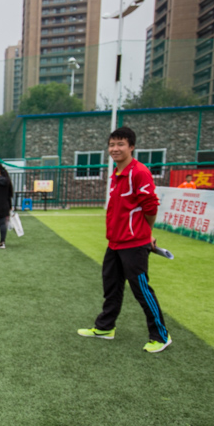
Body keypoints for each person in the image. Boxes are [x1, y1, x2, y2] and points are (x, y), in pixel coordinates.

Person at [78, 126, 171, 353]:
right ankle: (105, 327)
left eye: (120, 144)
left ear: (131, 147)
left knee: (141, 290)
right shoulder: (117, 173)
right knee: (111, 285)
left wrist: (146, 234)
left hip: (134, 243)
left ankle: (161, 335)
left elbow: (150, 207)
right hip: (115, 242)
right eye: (112, 145)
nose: (115, 149)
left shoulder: (139, 172)